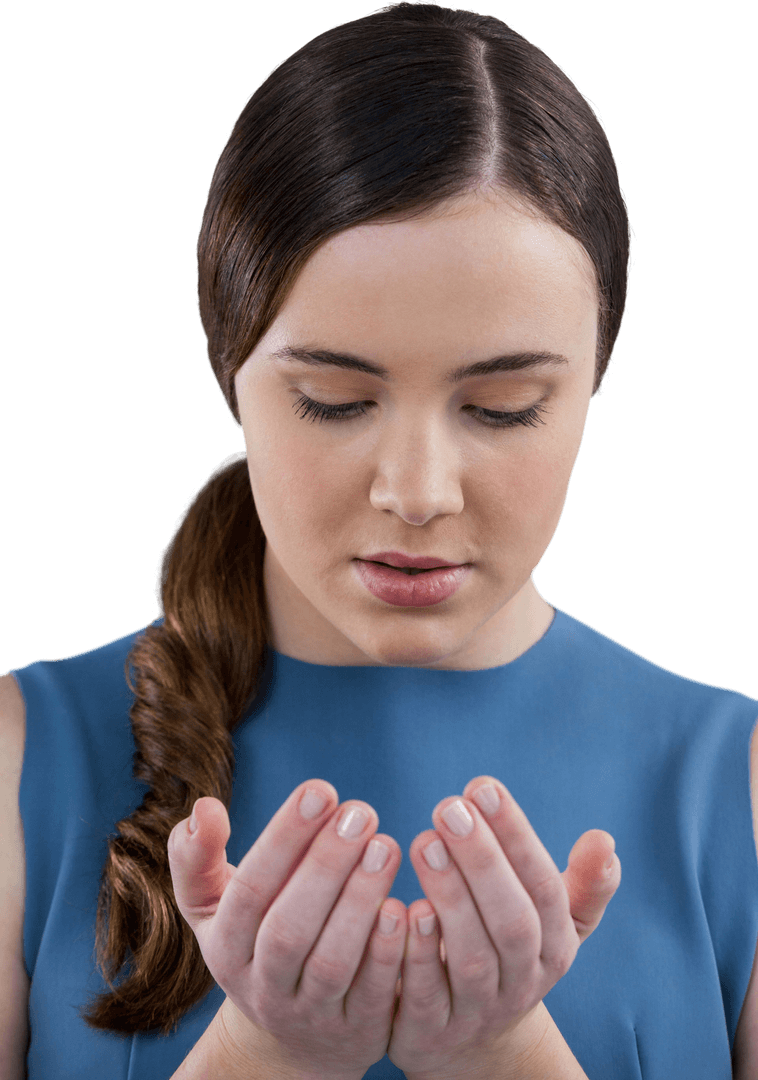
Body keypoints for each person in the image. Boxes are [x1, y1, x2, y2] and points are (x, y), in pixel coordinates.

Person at [2, 2, 757, 1078]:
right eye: (329, 400)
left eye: (500, 409)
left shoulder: (736, 785)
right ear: (232, 377)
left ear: (593, 387)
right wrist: (265, 1053)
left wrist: (505, 1055)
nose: (415, 492)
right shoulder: (21, 762)